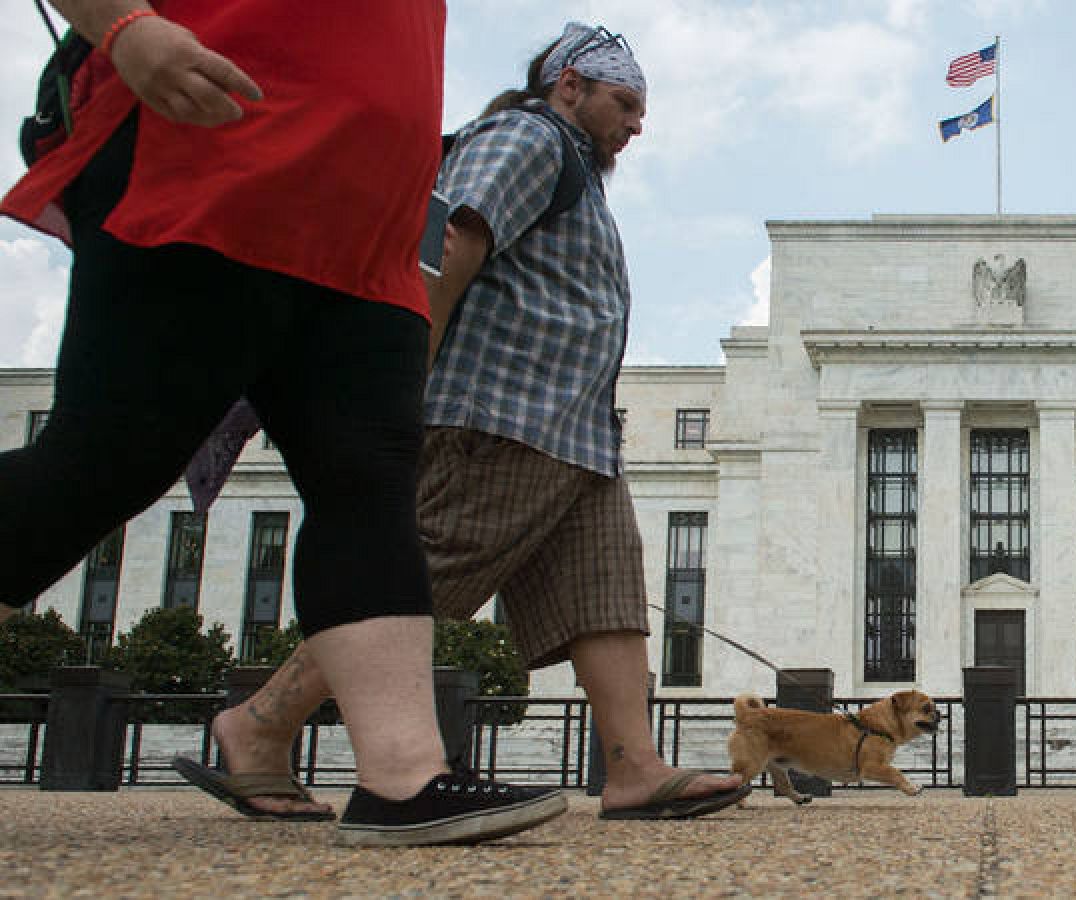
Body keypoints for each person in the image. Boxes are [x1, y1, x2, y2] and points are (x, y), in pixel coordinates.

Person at [0, 1, 563, 846]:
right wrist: (124, 26)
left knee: (369, 477)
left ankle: (404, 775)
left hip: (370, 224)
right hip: (217, 163)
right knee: (107, 458)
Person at [182, 22, 750, 821]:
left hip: (578, 433)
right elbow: (449, 240)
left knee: (607, 598)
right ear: (570, 86)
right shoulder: (529, 137)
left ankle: (634, 767)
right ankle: (259, 725)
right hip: (502, 413)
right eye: (625, 103)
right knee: (421, 580)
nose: (637, 124)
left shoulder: (577, 172)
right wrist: (404, 374)